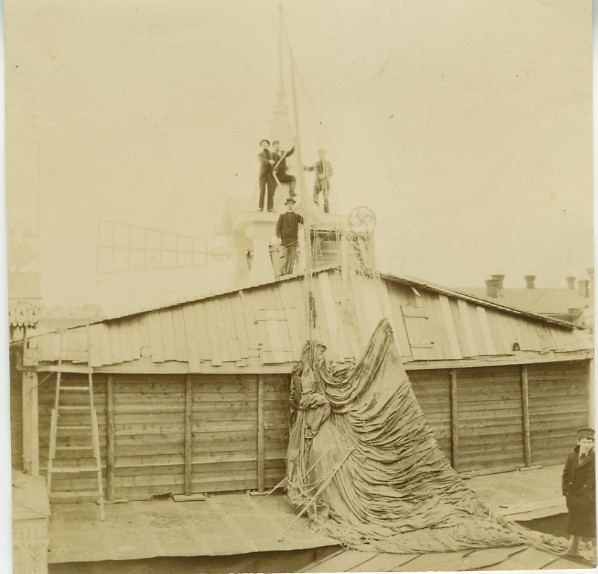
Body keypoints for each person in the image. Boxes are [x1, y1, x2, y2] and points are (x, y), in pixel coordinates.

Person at [562, 427, 596, 560]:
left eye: (590, 442)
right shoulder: (572, 456)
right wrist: (566, 492)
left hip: (588, 497)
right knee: (575, 522)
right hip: (573, 496)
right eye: (584, 442)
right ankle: (573, 550)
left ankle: (595, 553)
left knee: (591, 525)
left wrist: (593, 497)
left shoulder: (594, 458)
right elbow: (565, 474)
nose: (587, 445)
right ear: (579, 442)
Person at [276, 197, 304, 275]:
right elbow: (278, 228)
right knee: (283, 257)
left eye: (291, 203)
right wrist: (279, 238)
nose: (290, 205)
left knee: (292, 258)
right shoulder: (282, 216)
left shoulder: (297, 216)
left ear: (293, 204)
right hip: (284, 240)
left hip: (293, 241)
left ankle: (289, 274)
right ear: (286, 205)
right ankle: (281, 274)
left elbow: (304, 221)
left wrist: (304, 212)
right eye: (288, 204)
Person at [304, 148, 333, 213]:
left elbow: (331, 173)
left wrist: (324, 175)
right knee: (315, 197)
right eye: (319, 154)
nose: (320, 155)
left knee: (326, 198)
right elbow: (309, 169)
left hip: (325, 183)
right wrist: (303, 166)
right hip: (317, 183)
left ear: (324, 154)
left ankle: (327, 213)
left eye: (321, 154)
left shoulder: (327, 163)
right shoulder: (316, 164)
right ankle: (317, 211)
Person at [257, 139, 276, 212]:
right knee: (262, 190)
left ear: (268, 145)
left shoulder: (272, 154)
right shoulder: (260, 154)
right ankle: (261, 207)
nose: (264, 145)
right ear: (261, 146)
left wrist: (275, 170)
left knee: (271, 191)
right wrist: (269, 161)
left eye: (266, 143)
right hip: (263, 175)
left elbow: (276, 162)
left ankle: (270, 208)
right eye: (263, 144)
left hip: (270, 174)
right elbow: (262, 161)